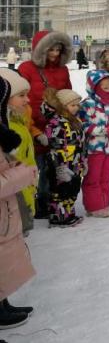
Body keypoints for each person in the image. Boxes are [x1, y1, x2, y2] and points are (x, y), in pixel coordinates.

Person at [18, 30, 72, 219]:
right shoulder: (26, 68)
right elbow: (20, 97)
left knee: (52, 165)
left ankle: (46, 200)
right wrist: (28, 123)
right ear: (41, 49)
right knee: (33, 166)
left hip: (55, 125)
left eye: (59, 49)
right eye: (51, 49)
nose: (55, 53)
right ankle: (28, 202)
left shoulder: (63, 69)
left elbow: (67, 95)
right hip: (31, 123)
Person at [0, 75, 37, 330]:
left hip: (7, 209)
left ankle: (2, 304)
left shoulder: (7, 124)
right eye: (20, 95)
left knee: (5, 259)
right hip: (5, 204)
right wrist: (23, 172)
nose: (27, 100)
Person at [79, 70, 109, 218]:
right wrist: (105, 130)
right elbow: (83, 126)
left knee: (106, 176)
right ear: (94, 87)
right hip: (94, 148)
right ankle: (93, 207)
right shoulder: (87, 104)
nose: (108, 91)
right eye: (104, 88)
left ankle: (104, 204)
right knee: (93, 177)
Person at [0, 69, 36, 233]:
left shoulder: (19, 124)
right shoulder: (10, 133)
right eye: (21, 95)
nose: (27, 100)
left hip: (21, 199)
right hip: (11, 208)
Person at [44, 89, 85, 228]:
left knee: (73, 187)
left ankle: (69, 213)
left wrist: (82, 160)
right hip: (62, 162)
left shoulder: (75, 120)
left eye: (77, 105)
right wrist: (58, 166)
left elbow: (80, 140)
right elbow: (53, 145)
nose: (76, 108)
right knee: (61, 189)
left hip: (75, 161)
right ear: (62, 106)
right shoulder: (56, 122)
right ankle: (58, 216)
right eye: (72, 105)